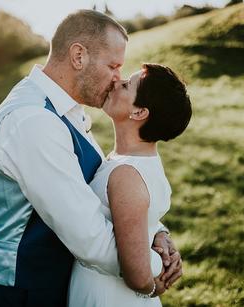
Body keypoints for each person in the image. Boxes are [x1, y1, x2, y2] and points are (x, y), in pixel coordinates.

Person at [0, 10, 182, 306]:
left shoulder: (64, 110)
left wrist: (156, 233)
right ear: (78, 56)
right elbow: (91, 237)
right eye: (113, 66)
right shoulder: (33, 121)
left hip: (56, 285)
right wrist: (155, 268)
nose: (116, 79)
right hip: (25, 291)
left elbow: (105, 198)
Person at [68, 64, 191, 306]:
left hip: (107, 296)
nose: (116, 83)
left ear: (139, 113)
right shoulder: (136, 161)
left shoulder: (127, 174)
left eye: (126, 85)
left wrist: (154, 287)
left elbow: (136, 275)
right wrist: (159, 232)